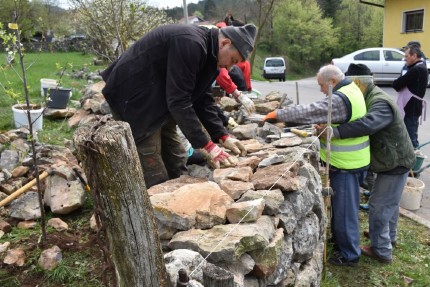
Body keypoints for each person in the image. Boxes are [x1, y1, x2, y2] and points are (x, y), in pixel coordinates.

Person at [101, 23, 257, 188]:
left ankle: (180, 196)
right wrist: (207, 145)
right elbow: (179, 100)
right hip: (134, 98)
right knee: (153, 166)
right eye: (233, 60)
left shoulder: (211, 56)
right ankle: (157, 201)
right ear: (225, 43)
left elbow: (202, 98)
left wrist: (222, 135)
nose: (230, 67)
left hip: (158, 98)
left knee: (176, 157)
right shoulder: (191, 43)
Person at [263, 64, 370, 267]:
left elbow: (312, 110)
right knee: (343, 209)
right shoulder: (351, 89)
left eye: (321, 85)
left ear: (332, 82)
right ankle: (343, 245)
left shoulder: (341, 99)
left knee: (345, 213)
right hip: (353, 161)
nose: (321, 90)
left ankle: (349, 256)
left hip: (347, 164)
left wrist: (279, 114)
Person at [317, 63, 415, 264]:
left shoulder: (379, 101)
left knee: (379, 206)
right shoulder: (369, 96)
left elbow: (369, 124)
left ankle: (382, 250)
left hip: (395, 162)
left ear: (359, 83)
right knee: (388, 204)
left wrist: (336, 132)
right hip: (389, 159)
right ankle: (389, 238)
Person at [393, 45, 428, 149]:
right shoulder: (419, 67)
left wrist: (399, 82)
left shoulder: (416, 70)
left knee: (410, 136)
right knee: (410, 134)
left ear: (414, 56)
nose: (405, 58)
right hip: (412, 106)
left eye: (407, 56)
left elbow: (396, 84)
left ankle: (413, 159)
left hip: (411, 107)